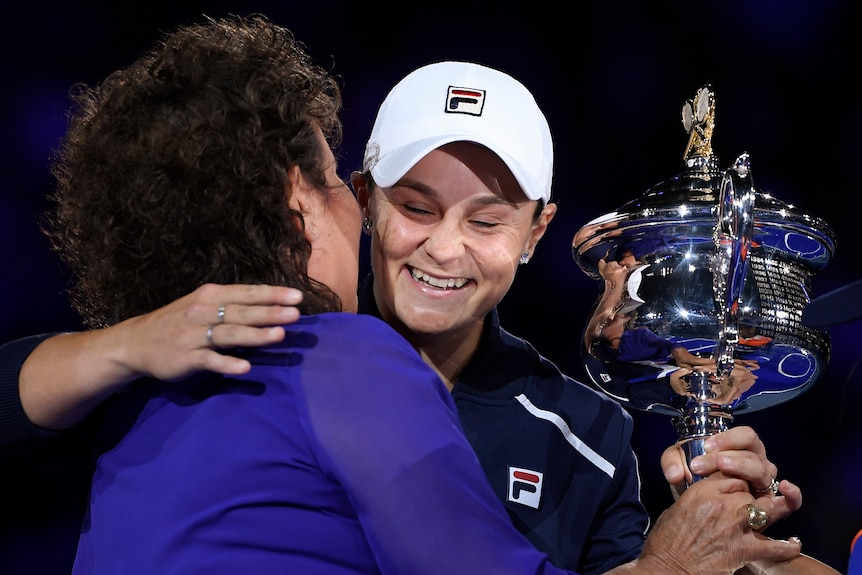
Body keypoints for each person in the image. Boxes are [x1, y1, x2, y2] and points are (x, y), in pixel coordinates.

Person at [2, 13, 809, 575]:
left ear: (537, 231)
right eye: (413, 206)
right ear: (343, 194)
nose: (445, 245)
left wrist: (715, 519)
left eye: (487, 220)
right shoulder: (290, 351)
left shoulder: (589, 432)